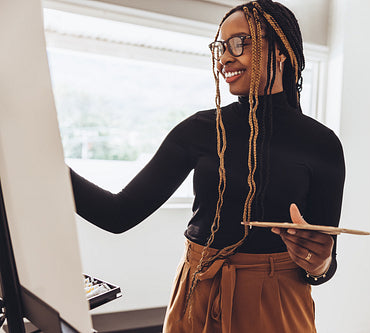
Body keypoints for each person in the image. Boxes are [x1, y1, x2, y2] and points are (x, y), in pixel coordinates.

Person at [70, 0, 345, 332]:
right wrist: (43, 164)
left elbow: (322, 267)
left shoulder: (323, 145)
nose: (225, 58)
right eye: (221, 47)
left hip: (278, 302)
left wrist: (319, 262)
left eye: (240, 43)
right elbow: (118, 214)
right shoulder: (198, 130)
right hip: (197, 293)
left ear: (281, 50)